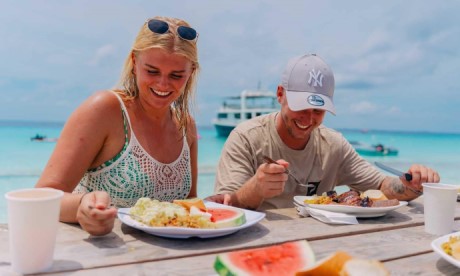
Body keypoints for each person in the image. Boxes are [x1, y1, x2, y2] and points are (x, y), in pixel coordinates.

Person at [207, 53, 440, 210]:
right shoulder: (246, 137)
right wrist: (255, 189)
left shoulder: (333, 145)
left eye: (318, 110)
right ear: (280, 94)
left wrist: (412, 185)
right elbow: (223, 207)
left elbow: (382, 187)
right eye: (301, 106)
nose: (308, 119)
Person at [35, 16, 200, 235]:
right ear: (134, 63)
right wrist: (82, 206)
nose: (162, 84)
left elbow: (188, 206)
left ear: (191, 73)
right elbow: (42, 197)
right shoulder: (105, 109)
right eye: (152, 71)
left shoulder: (185, 125)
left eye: (176, 75)